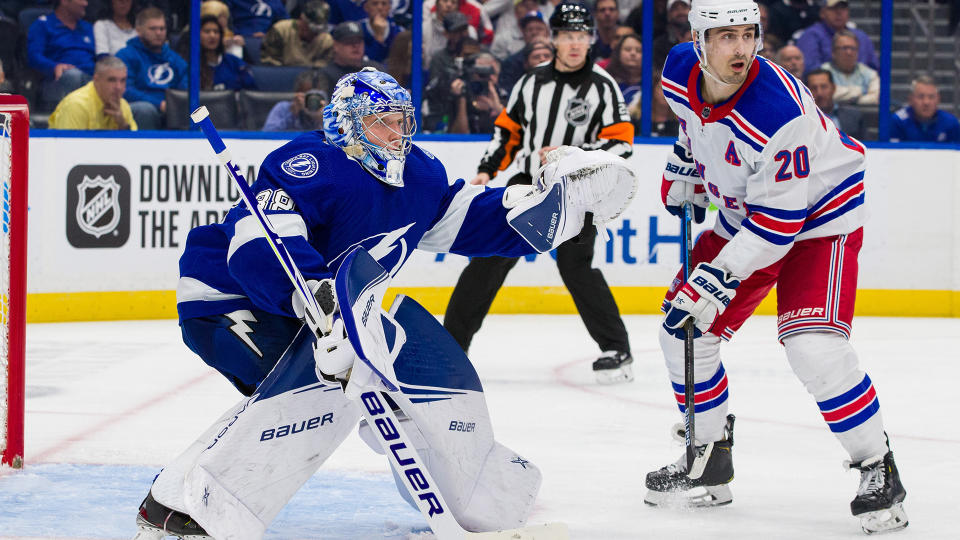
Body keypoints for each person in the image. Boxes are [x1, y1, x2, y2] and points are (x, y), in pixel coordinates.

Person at [131, 67, 635, 539]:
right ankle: (185, 506)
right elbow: (257, 245)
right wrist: (318, 297)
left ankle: (475, 492)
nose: (396, 134)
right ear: (347, 124)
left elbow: (470, 219)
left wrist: (558, 207)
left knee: (376, 368)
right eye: (381, 123)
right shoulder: (309, 163)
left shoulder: (418, 175)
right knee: (322, 388)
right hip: (230, 301)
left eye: (401, 121)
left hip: (327, 315)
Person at [648, 1, 907, 534]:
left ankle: (876, 467)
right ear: (698, 42)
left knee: (814, 346)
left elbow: (779, 223)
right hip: (749, 211)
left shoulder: (776, 111)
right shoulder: (678, 70)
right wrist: (686, 168)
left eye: (749, 35)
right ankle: (709, 458)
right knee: (683, 330)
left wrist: (719, 279)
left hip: (818, 221)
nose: (741, 49)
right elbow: (691, 124)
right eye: (726, 37)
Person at [443, 3, 637, 384]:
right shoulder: (531, 83)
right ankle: (451, 346)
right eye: (568, 36)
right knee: (489, 258)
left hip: (577, 193)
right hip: (528, 186)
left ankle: (617, 349)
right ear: (554, 39)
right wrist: (487, 169)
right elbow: (507, 132)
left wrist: (575, 156)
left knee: (577, 267)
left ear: (591, 39)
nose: (575, 43)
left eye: (582, 36)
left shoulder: (603, 86)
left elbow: (622, 145)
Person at [115, 7, 188, 130]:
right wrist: (159, 104)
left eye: (162, 28)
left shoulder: (175, 59)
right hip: (141, 109)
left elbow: (185, 87)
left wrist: (174, 105)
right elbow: (125, 89)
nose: (159, 33)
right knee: (145, 110)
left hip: (172, 110)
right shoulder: (126, 55)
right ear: (138, 30)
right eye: (153, 29)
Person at [27, 0, 96, 108]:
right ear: (64, 1)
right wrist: (54, 67)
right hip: (57, 80)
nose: (85, 3)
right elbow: (33, 56)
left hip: (90, 77)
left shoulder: (88, 28)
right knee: (73, 76)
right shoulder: (43, 25)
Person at [48, 55, 137, 130]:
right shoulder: (76, 105)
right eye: (111, 80)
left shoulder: (123, 106)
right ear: (96, 80)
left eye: (123, 80)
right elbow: (68, 148)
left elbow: (136, 147)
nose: (118, 87)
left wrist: (123, 125)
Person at [796, 0, 877, 75]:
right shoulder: (811, 36)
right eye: (833, 8)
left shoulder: (861, 37)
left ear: (848, 12)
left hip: (860, 87)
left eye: (843, 7)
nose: (839, 12)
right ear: (822, 13)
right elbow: (809, 71)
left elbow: (874, 68)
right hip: (825, 88)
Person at [446, 52, 507, 134]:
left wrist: (498, 108)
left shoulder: (504, 97)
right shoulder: (462, 95)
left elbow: (516, 133)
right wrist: (462, 99)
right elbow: (460, 136)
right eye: (481, 73)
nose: (488, 78)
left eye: (492, 73)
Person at [259, 0, 333, 67]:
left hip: (312, 78)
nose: (315, 34)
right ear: (302, 20)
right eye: (312, 29)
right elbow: (268, 61)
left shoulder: (326, 40)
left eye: (319, 31)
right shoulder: (281, 30)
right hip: (282, 76)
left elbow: (327, 66)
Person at [318, 21, 384, 95]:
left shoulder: (376, 70)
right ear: (336, 46)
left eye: (359, 41)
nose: (355, 46)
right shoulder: (325, 75)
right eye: (349, 42)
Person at [890, 75, 960, 143]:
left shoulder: (951, 123)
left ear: (938, 99)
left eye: (931, 97)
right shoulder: (898, 121)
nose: (926, 102)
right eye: (920, 97)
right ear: (911, 99)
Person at [196, 15, 256, 90]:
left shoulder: (234, 62)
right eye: (207, 31)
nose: (212, 36)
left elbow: (251, 91)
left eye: (216, 32)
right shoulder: (191, 65)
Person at [820, 30, 878, 105]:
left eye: (853, 48)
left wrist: (851, 99)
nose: (849, 53)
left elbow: (875, 98)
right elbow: (824, 95)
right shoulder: (823, 72)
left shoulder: (869, 74)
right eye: (844, 48)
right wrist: (858, 91)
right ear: (833, 52)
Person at [805, 68, 864, 140]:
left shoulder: (854, 116)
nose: (819, 93)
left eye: (824, 87)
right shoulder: (803, 120)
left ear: (833, 88)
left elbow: (867, 147)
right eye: (814, 88)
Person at [261, 69, 328, 131]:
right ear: (297, 93)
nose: (312, 100)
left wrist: (322, 119)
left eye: (317, 96)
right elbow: (266, 134)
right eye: (308, 95)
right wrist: (292, 114)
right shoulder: (283, 108)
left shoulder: (332, 111)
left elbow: (335, 137)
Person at [653, 0, 691, 71]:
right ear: (668, 14)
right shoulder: (659, 45)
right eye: (675, 8)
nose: (681, 12)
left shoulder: (702, 39)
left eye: (684, 8)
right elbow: (660, 75)